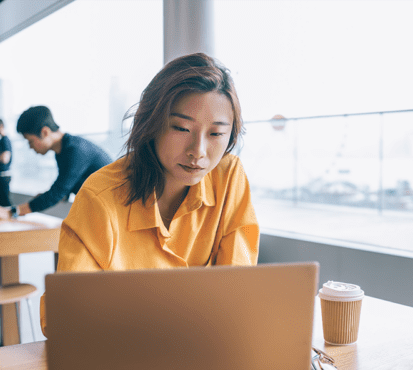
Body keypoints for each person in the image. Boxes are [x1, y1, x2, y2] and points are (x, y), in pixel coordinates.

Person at [40, 53, 260, 334]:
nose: (198, 151)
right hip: (124, 358)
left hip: (205, 351)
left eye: (216, 134)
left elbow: (237, 289)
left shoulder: (229, 176)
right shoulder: (101, 197)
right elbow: (64, 317)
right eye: (181, 128)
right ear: (151, 123)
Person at [0, 106, 112, 219]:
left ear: (45, 132)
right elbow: (63, 191)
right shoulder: (62, 151)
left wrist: (12, 212)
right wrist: (45, 198)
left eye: (30, 141)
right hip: (102, 213)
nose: (30, 147)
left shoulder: (75, 150)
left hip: (116, 214)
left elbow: (57, 193)